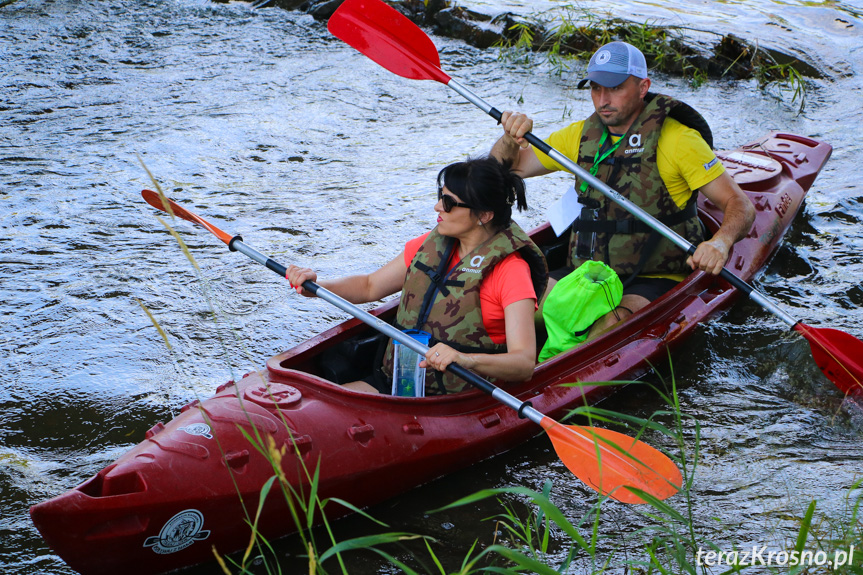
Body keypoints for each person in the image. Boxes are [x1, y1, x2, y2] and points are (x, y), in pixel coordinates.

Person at [491, 41, 755, 338]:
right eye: (595, 88)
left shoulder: (680, 140)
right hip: (587, 272)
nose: (603, 99)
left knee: (608, 329)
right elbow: (503, 170)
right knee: (510, 311)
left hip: (650, 276)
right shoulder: (580, 136)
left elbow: (740, 205)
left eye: (615, 88)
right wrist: (510, 138)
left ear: (643, 87)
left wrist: (720, 243)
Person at [286, 157, 548, 395]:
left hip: (461, 398)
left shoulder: (511, 271)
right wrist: (317, 287)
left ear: (484, 215)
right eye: (439, 196)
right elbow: (369, 286)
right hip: (399, 380)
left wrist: (465, 359)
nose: (437, 207)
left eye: (448, 202)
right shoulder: (432, 246)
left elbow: (523, 363)